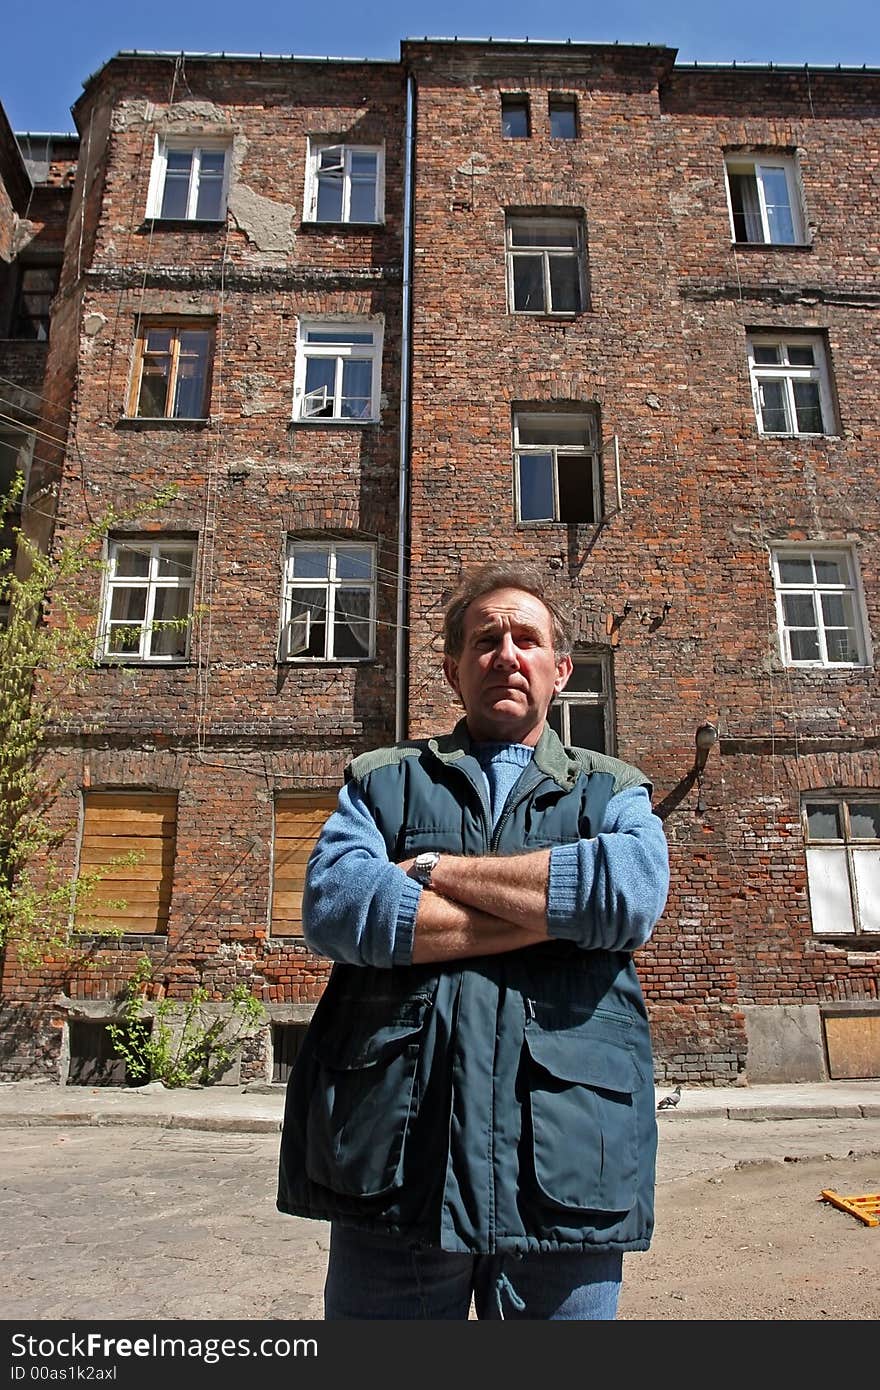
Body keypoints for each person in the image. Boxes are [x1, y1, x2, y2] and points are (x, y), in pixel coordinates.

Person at [277, 562, 670, 1320]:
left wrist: (431, 868)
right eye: (485, 639)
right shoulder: (383, 781)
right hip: (396, 1160)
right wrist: (550, 917)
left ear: (561, 668)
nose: (506, 653)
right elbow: (336, 906)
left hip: (567, 1163)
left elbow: (628, 894)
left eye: (527, 638)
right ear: (452, 669)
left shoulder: (611, 788)